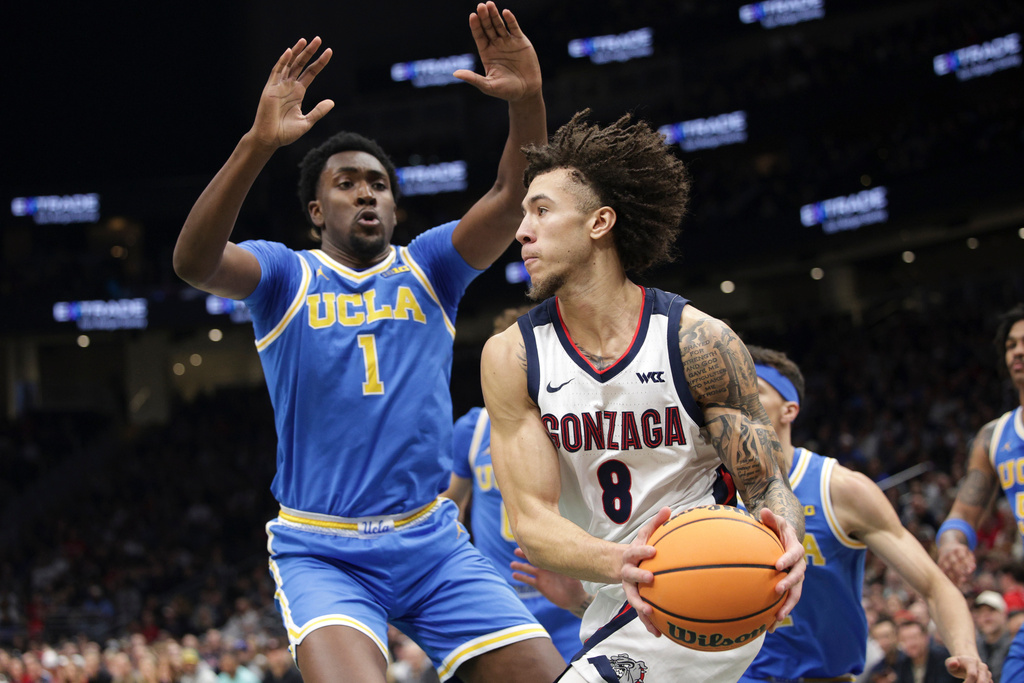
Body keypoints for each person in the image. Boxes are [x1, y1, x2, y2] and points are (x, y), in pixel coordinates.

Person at [172, 4, 565, 683]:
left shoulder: (431, 266)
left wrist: (527, 100)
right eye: (346, 183)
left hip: (431, 539)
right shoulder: (285, 274)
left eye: (378, 184)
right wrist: (257, 144)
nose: (366, 194)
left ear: (395, 207)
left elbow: (511, 194)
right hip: (322, 549)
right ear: (317, 210)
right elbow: (194, 262)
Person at [479, 110, 806, 683]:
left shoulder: (697, 340)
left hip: (705, 574)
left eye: (542, 210)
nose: (521, 230)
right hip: (618, 590)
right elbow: (532, 519)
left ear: (599, 222)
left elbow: (767, 483)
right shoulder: (513, 356)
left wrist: (788, 541)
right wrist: (617, 562)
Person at [736, 346, 989, 682]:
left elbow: (934, 586)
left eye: (754, 389)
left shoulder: (838, 488)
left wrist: (967, 652)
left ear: (789, 409)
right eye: (733, 389)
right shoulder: (707, 490)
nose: (739, 399)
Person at [446, 306, 585, 663]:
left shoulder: (578, 426)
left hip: (571, 599)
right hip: (499, 602)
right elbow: (450, 509)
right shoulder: (474, 428)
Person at [938, 304, 1024, 682]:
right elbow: (962, 516)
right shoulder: (994, 436)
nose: (1018, 351)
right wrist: (951, 542)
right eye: (1010, 345)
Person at [893, 620, 959, 683]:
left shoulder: (943, 658)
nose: (911, 643)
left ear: (926, 637)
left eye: (914, 637)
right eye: (904, 639)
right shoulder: (902, 663)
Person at [972, 591, 1011, 682]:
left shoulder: (1016, 646)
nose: (986, 616)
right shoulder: (973, 648)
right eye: (980, 612)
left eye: (991, 610)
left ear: (1004, 614)